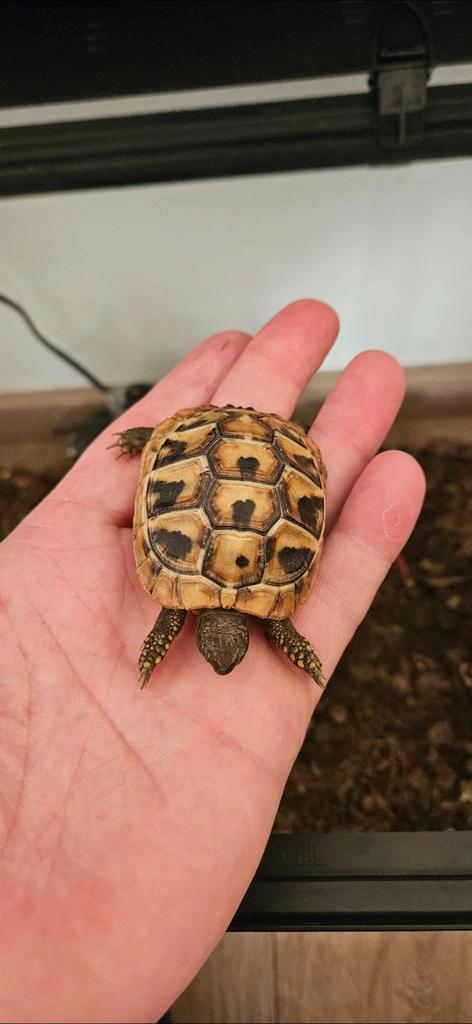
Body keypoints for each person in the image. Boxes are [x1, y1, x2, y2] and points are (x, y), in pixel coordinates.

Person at [0, 300, 424, 1023]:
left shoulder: (172, 609)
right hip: (252, 464)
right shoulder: (216, 617)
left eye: (218, 652)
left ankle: (162, 439)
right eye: (225, 653)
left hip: (195, 449)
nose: (224, 660)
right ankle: (162, 439)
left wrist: (153, 440)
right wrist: (294, 647)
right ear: (217, 634)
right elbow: (275, 631)